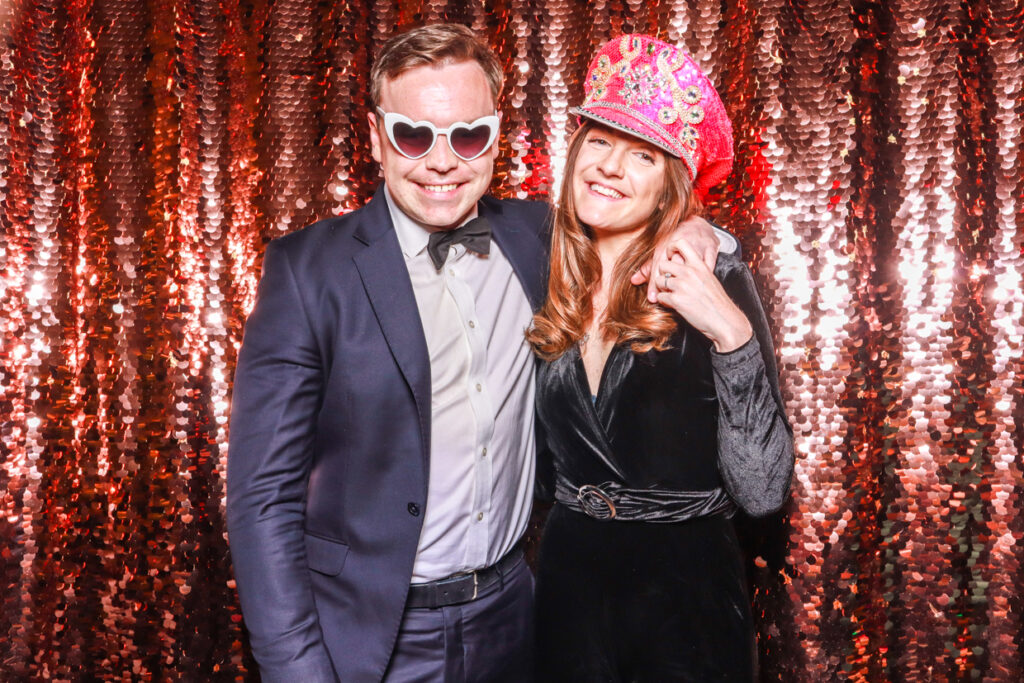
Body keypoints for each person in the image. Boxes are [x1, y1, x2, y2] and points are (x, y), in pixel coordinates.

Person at [226, 24, 733, 682]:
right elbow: (263, 497)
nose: (442, 161)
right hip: (368, 639)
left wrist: (693, 231)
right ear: (378, 137)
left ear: (495, 134)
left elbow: (646, 207)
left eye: (468, 135)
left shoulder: (539, 239)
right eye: (414, 134)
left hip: (515, 625)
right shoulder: (307, 272)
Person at [528, 34, 795, 681]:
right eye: (598, 142)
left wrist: (732, 333)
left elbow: (762, 492)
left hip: (687, 598)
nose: (609, 166)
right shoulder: (539, 269)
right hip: (567, 592)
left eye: (642, 156)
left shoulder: (716, 276)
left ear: (670, 186)